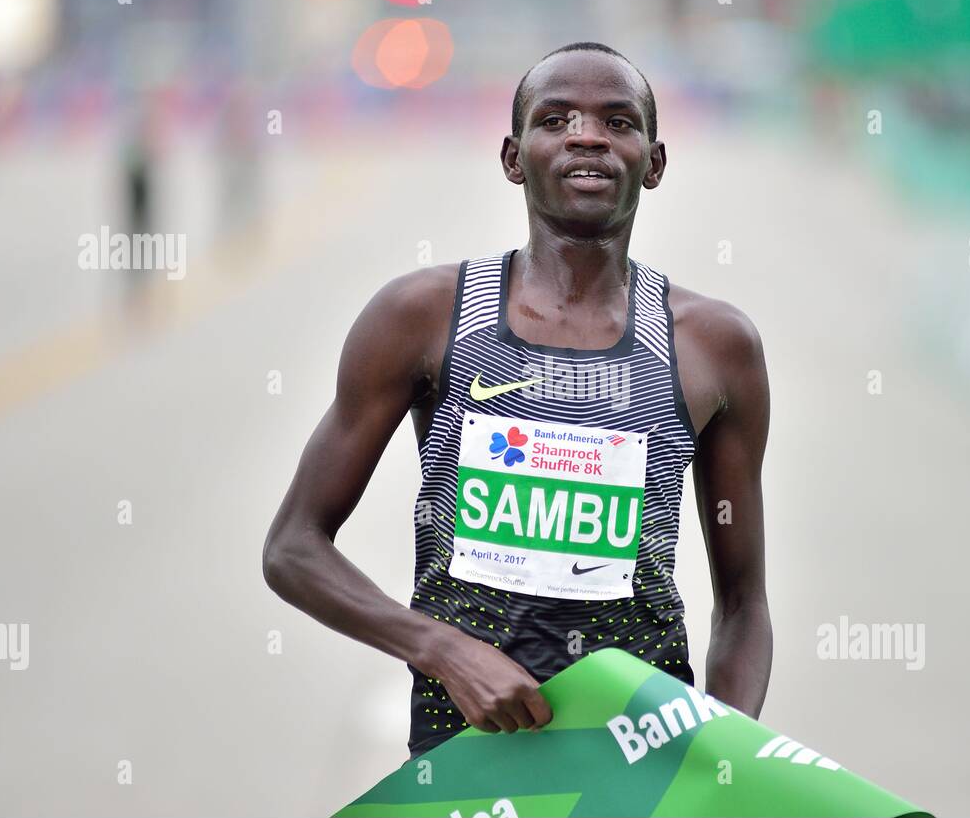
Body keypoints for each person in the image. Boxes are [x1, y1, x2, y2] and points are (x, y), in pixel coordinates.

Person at [263, 42, 772, 761]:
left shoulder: (715, 346)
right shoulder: (423, 316)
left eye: (618, 121)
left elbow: (745, 604)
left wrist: (724, 757)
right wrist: (444, 649)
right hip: (465, 759)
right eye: (556, 118)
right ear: (512, 157)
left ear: (654, 163)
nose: (587, 135)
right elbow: (293, 547)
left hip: (635, 763)